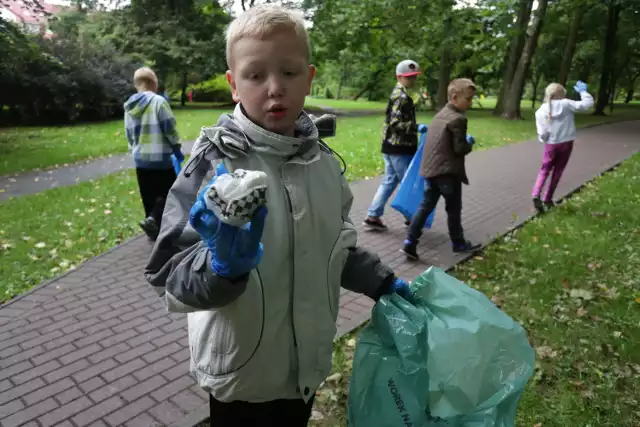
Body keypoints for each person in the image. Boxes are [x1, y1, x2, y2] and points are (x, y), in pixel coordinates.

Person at [143, 6, 410, 426]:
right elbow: (167, 277)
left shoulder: (323, 162)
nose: (275, 89)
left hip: (305, 366)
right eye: (255, 75)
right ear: (234, 84)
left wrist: (381, 282)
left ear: (309, 75)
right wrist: (221, 269)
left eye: (288, 72)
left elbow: (335, 244)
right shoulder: (213, 164)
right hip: (241, 375)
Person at [401, 78, 481, 261]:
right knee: (453, 208)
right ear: (454, 97)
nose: (470, 103)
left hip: (430, 170)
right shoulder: (458, 119)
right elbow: (459, 148)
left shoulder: (440, 114)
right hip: (447, 172)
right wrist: (468, 143)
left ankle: (409, 242)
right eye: (468, 99)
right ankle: (458, 243)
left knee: (425, 206)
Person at [363, 59, 424, 231]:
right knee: (407, 183)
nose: (412, 80)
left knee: (389, 181)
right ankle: (412, 218)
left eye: (414, 77)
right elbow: (396, 124)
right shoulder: (401, 97)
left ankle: (373, 216)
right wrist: (416, 127)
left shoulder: (400, 93)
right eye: (408, 77)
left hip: (391, 145)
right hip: (399, 147)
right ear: (399, 77)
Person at [124, 67, 184, 240]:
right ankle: (155, 220)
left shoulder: (129, 106)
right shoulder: (158, 102)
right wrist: (176, 147)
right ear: (154, 83)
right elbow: (169, 127)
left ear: (137, 85)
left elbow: (129, 134)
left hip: (141, 160)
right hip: (160, 159)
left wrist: (135, 151)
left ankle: (153, 228)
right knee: (170, 194)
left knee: (149, 197)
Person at [532, 80, 594, 212]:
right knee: (557, 171)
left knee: (544, 169)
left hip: (551, 145)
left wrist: (546, 138)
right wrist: (583, 92)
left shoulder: (540, 111)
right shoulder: (566, 104)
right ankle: (548, 199)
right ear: (561, 94)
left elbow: (542, 133)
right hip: (566, 143)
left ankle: (536, 193)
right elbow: (587, 105)